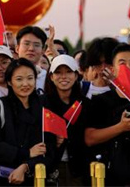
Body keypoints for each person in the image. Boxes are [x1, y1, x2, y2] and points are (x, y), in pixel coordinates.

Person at [83, 44, 130, 186]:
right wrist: (121, 127)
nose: (128, 67)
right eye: (122, 63)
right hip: (108, 175)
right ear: (112, 69)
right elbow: (90, 138)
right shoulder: (100, 101)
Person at [0, 59, 51, 186]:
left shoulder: (44, 108)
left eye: (30, 78)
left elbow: (48, 148)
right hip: (3, 179)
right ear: (9, 81)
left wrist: (26, 166)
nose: (25, 84)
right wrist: (26, 153)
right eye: (19, 79)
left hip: (36, 179)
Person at [43, 55, 87, 186]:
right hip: (51, 167)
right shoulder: (42, 103)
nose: (64, 76)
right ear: (51, 76)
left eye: (68, 72)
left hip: (79, 168)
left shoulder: (85, 104)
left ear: (76, 75)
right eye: (58, 72)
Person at [15, 26, 48, 90]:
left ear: (43, 50)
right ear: (17, 48)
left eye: (36, 45)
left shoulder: (48, 78)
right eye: (26, 44)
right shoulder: (7, 75)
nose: (31, 49)